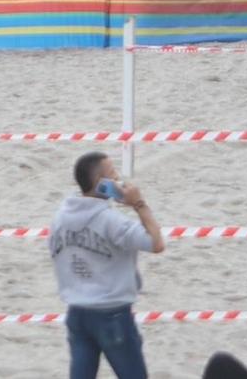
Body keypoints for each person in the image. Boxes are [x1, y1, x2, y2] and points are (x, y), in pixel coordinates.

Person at [50, 151, 164, 379]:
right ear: (100, 184)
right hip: (112, 315)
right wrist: (139, 204)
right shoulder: (112, 222)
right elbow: (156, 243)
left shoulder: (59, 218)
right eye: (113, 174)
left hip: (77, 313)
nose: (119, 180)